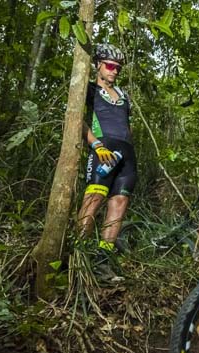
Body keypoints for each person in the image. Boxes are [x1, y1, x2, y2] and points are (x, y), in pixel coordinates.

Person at [77, 43, 138, 282]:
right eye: (110, 66)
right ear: (98, 65)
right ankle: (78, 256)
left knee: (119, 202)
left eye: (118, 68)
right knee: (94, 199)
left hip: (126, 155)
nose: (114, 71)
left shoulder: (124, 96)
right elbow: (78, 121)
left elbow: (126, 126)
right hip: (102, 150)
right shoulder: (89, 90)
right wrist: (95, 145)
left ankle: (103, 262)